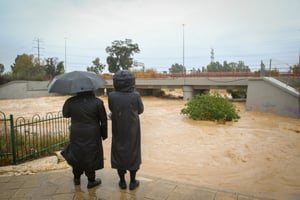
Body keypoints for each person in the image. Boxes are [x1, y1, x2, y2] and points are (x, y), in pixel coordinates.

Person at [61, 91, 107, 189]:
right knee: (91, 154)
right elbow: (103, 120)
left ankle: (77, 178)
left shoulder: (70, 101)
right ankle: (91, 180)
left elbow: (65, 114)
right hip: (92, 132)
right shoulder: (98, 102)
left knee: (77, 152)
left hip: (76, 132)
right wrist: (104, 134)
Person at [108, 70, 144, 190]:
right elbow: (140, 110)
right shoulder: (136, 95)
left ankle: (122, 181)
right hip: (133, 129)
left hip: (118, 128)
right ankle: (133, 182)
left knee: (119, 151)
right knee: (133, 152)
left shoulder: (112, 96)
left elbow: (112, 109)